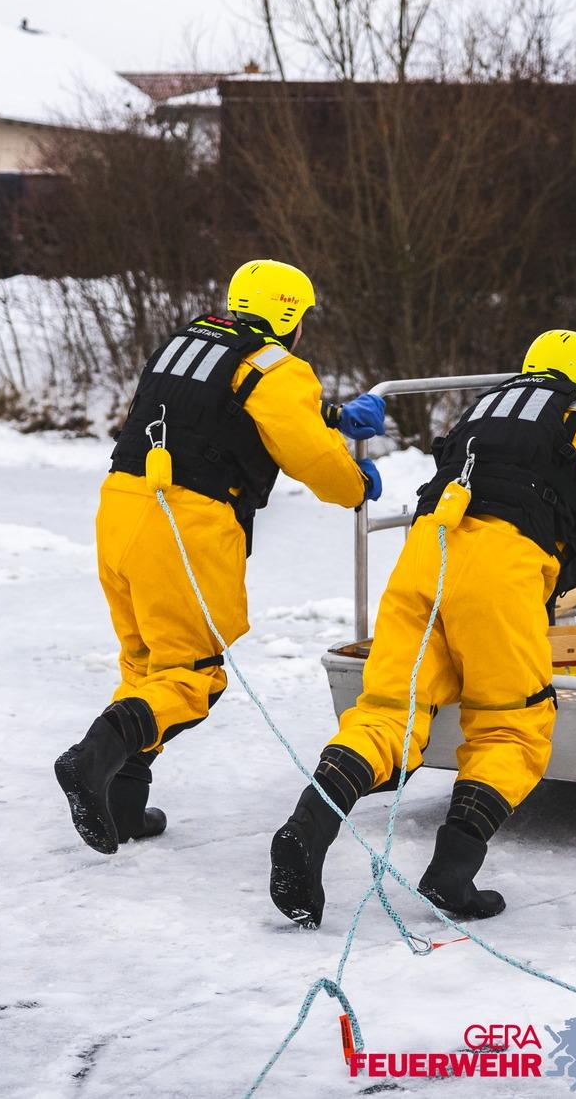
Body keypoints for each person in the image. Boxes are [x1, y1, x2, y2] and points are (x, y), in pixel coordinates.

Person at [268, 329, 576, 926]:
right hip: (501, 571)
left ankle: (308, 826)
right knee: (511, 725)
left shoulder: (485, 408)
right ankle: (452, 874)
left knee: (388, 710)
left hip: (424, 558)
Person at [55, 259, 386, 854]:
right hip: (185, 525)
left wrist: (333, 415)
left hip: (122, 507)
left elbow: (224, 410)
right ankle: (91, 756)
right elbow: (313, 458)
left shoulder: (185, 345)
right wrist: (356, 484)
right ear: (290, 318)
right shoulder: (276, 366)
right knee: (192, 678)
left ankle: (123, 808)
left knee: (146, 667)